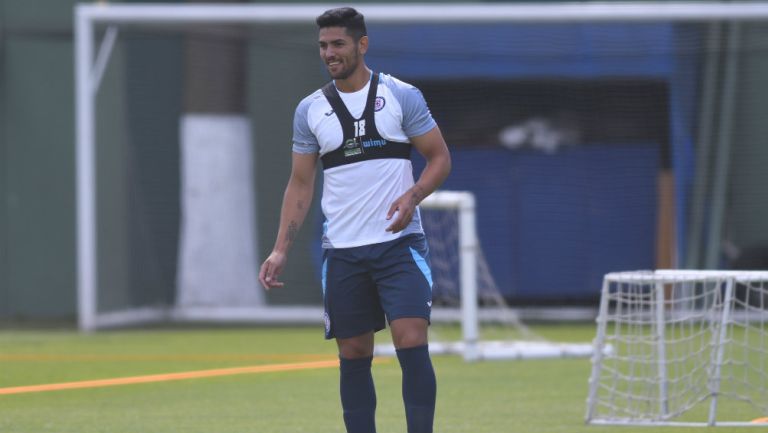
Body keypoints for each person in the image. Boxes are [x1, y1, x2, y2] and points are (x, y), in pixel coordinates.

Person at [258, 7, 451, 433]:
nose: (329, 53)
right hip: (343, 253)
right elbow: (300, 184)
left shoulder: (402, 95)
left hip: (399, 247)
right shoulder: (310, 110)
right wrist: (280, 249)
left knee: (411, 339)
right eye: (323, 45)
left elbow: (439, 158)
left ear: (362, 44)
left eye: (338, 44)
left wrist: (413, 195)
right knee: (354, 352)